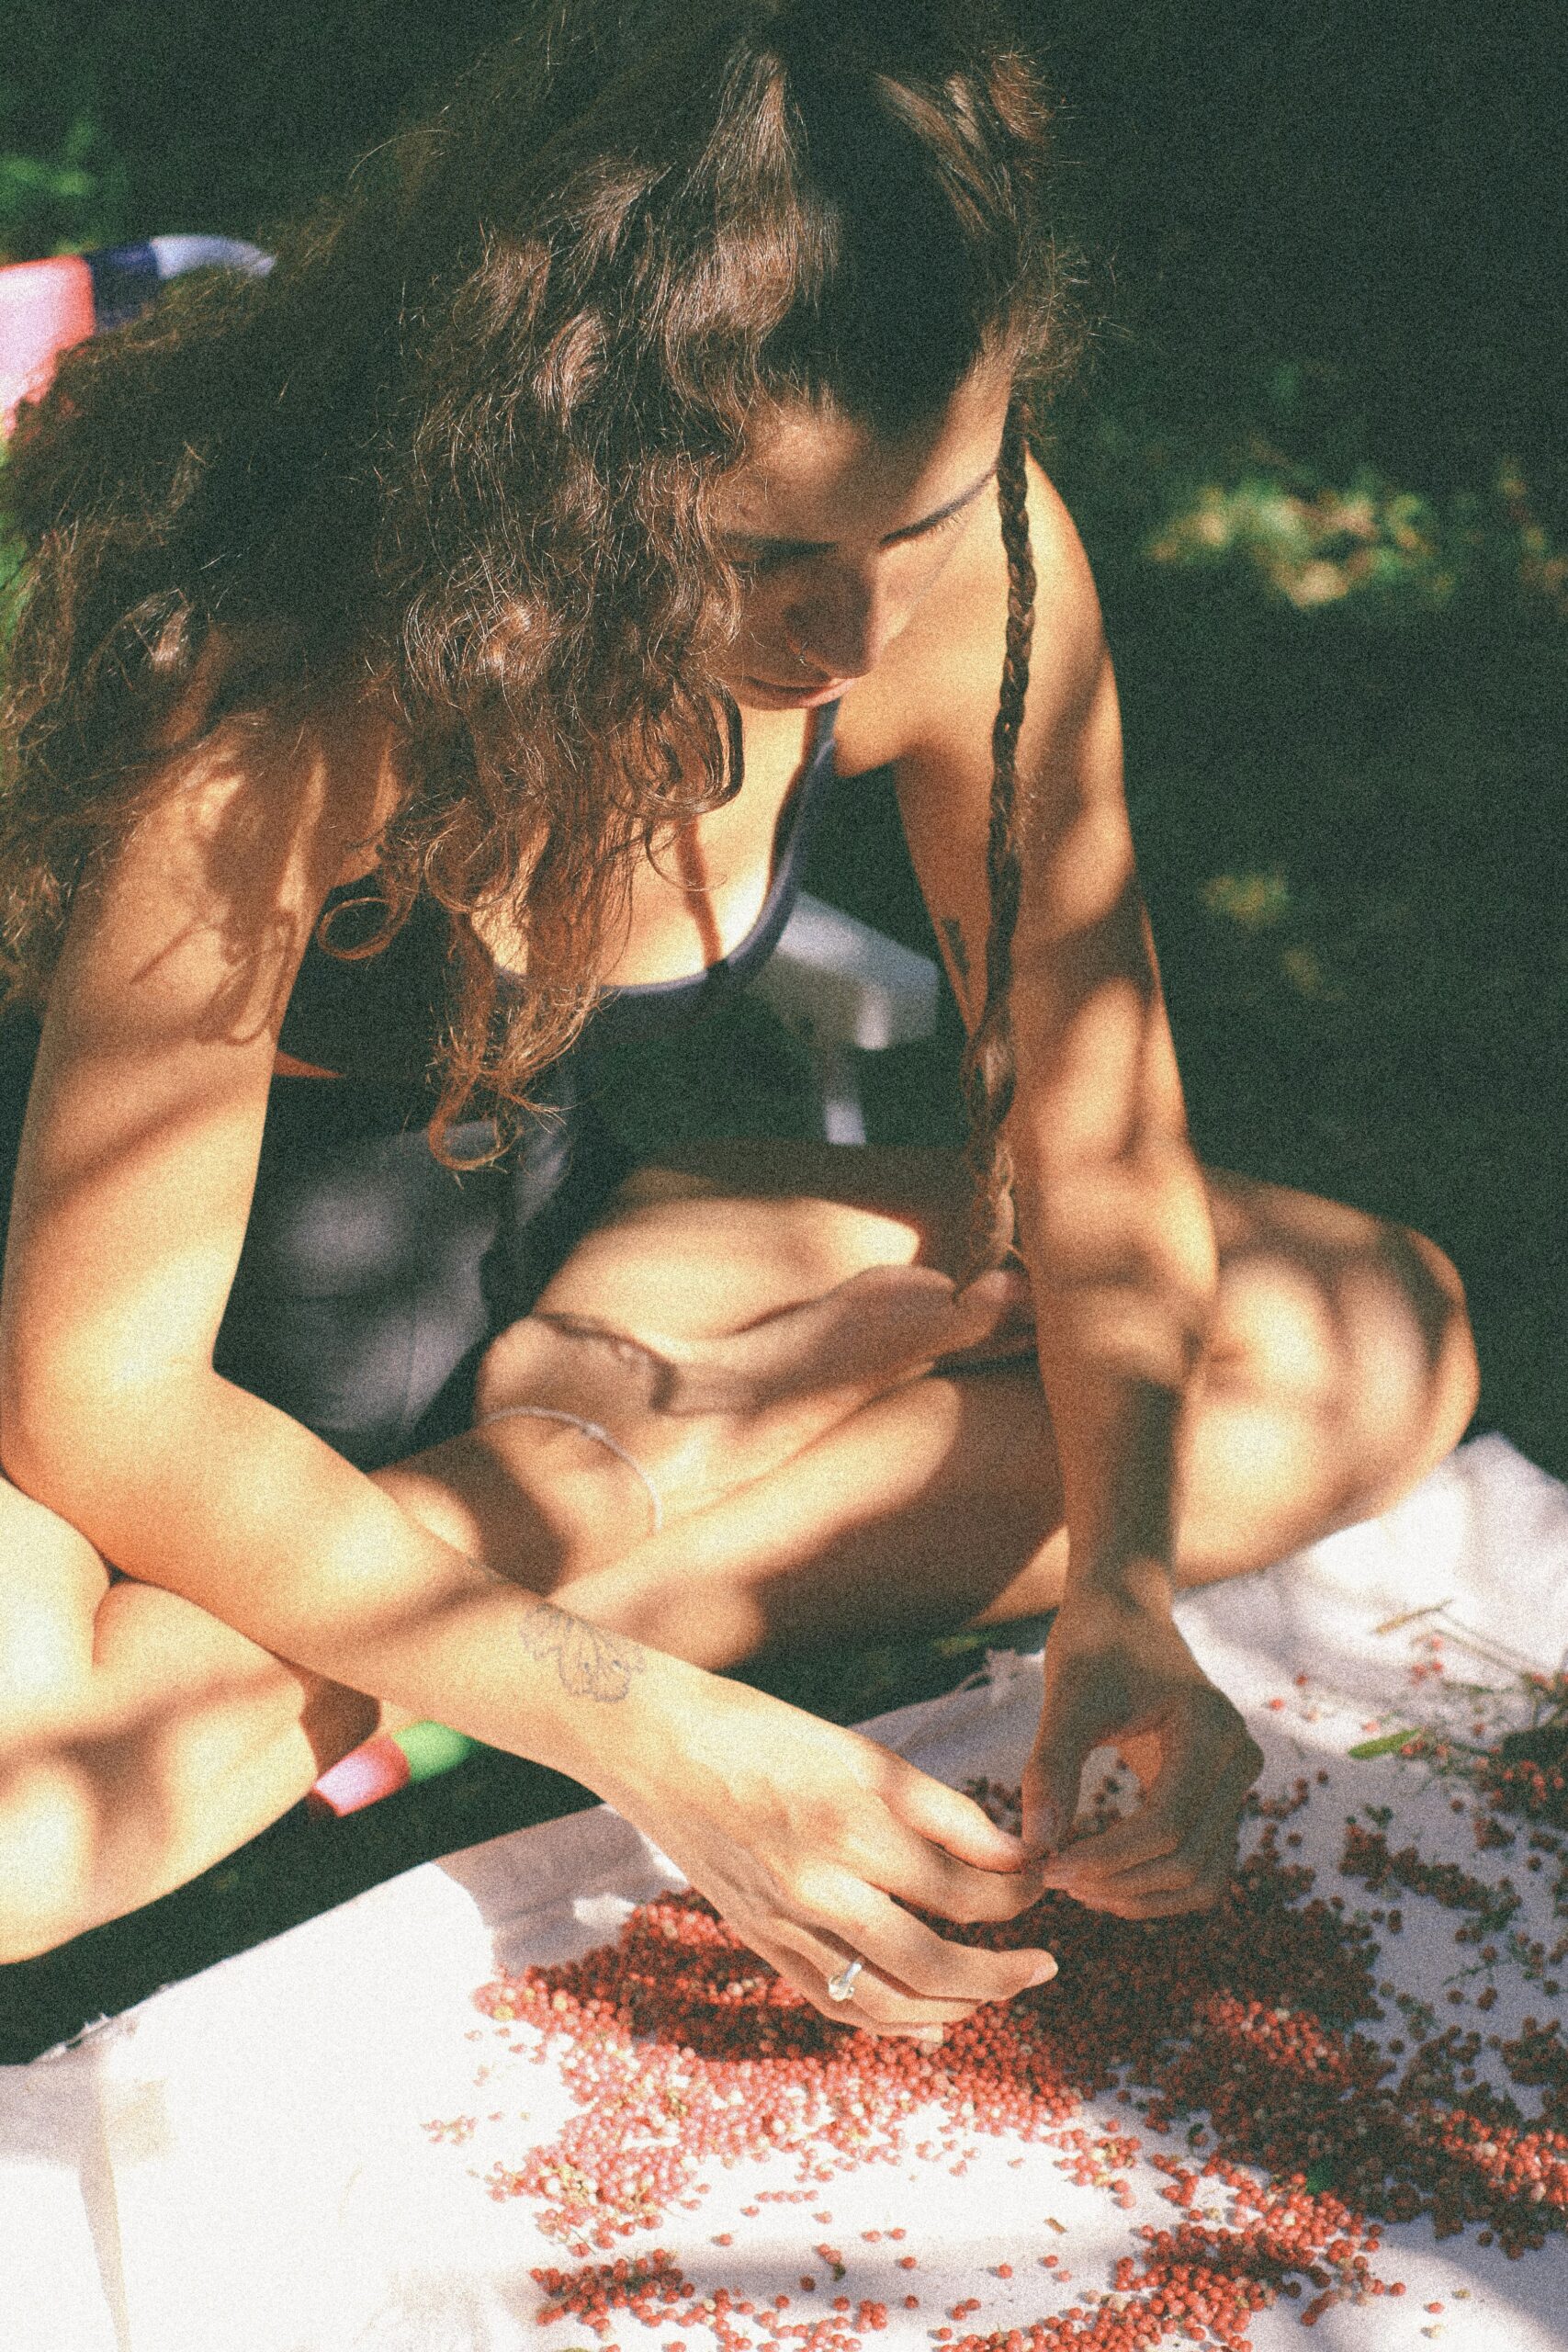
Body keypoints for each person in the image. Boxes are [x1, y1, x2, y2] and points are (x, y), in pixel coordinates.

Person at [0, 0, 1477, 2038]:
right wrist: (660, 1729)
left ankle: (453, 1603)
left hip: (546, 1245)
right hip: (100, 1397)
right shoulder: (311, 672)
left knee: (1365, 1337)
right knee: (13, 1828)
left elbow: (1098, 1145)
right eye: (769, 554)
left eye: (921, 525)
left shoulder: (976, 576)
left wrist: (1124, 1592)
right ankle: (606, 1486)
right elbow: (102, 1400)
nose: (859, 631)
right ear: (564, 462)